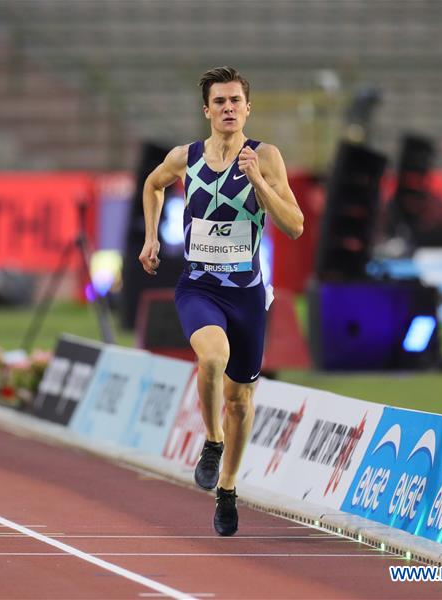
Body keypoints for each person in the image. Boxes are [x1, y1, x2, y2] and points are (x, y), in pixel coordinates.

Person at [139, 67, 304, 536]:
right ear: (206, 110)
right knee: (213, 357)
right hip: (199, 286)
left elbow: (294, 225)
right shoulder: (185, 157)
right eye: (220, 102)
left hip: (247, 294)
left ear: (248, 108)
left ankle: (227, 489)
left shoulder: (266, 157)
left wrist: (261, 183)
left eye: (236, 101)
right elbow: (153, 184)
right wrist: (151, 238)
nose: (228, 108)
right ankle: (212, 442)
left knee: (241, 399)